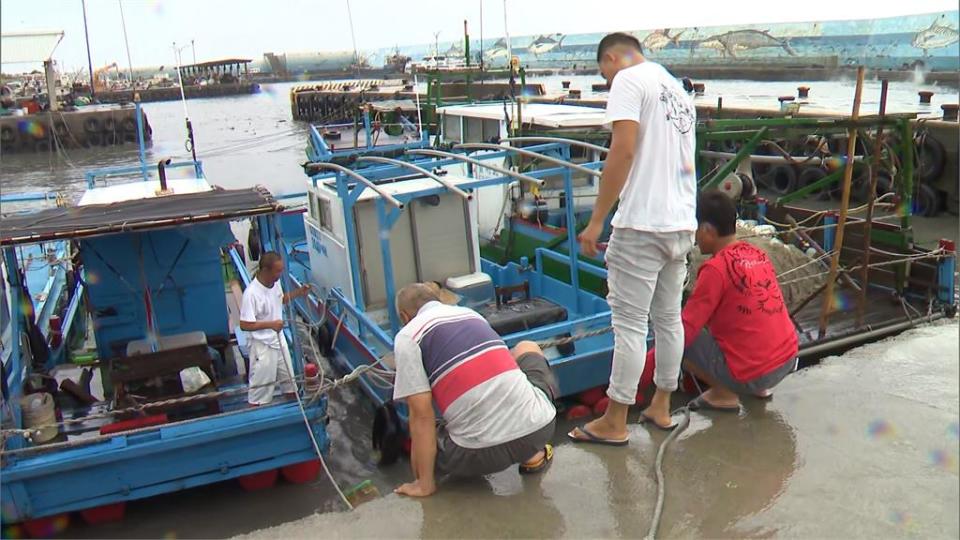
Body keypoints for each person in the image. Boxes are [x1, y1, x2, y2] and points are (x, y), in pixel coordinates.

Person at [570, 32, 698, 443]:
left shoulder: (629, 80)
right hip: (681, 223)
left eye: (603, 73)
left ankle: (615, 419)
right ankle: (661, 405)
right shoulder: (676, 88)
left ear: (612, 57)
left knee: (627, 323)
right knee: (667, 319)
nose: (607, 81)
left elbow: (622, 150)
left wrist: (596, 222)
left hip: (642, 223)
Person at [391, 283, 557, 497]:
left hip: (476, 456)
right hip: (539, 430)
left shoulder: (407, 337)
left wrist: (423, 482)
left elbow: (420, 414)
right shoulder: (470, 314)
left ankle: (427, 483)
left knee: (422, 433)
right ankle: (533, 456)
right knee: (527, 347)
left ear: (404, 317)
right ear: (440, 300)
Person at [673, 190, 798, 411]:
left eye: (695, 229)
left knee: (676, 337)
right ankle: (759, 387)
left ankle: (724, 394)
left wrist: (645, 366)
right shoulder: (757, 255)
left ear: (707, 230)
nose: (694, 237)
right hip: (787, 360)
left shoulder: (714, 269)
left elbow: (685, 329)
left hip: (754, 373)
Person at [239, 251, 310, 405]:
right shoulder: (251, 294)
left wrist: (299, 292)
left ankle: (294, 411)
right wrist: (271, 324)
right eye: (278, 270)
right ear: (265, 270)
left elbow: (280, 299)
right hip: (262, 346)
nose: (280, 274)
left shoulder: (275, 283)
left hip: (279, 341)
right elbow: (244, 324)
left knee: (290, 385)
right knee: (259, 393)